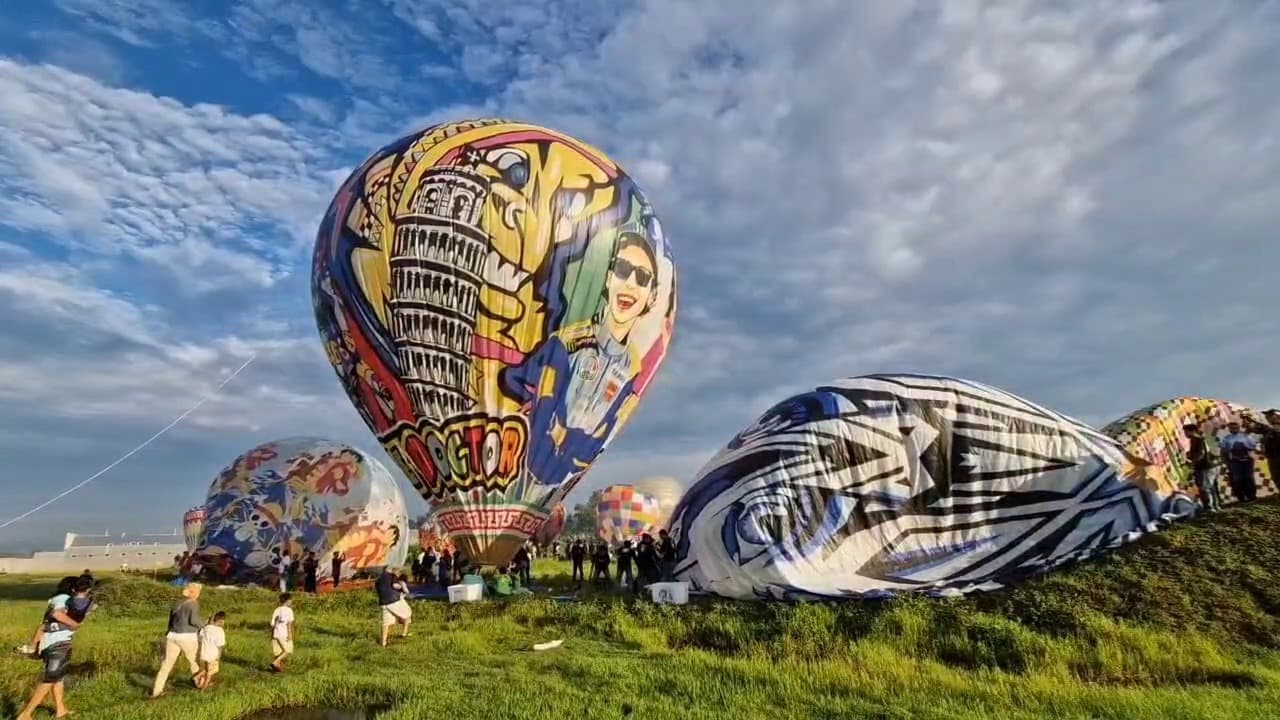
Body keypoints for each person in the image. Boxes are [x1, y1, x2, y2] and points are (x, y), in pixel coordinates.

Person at [16, 576, 93, 720]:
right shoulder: (63, 598)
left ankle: (60, 710)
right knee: (49, 679)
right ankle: (26, 714)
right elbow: (56, 614)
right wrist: (74, 624)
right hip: (57, 643)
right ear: (72, 588)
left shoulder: (60, 598)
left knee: (59, 678)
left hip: (55, 642)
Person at [150, 583, 205, 699]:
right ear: (193, 593)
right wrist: (204, 624)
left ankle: (156, 692)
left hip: (172, 636)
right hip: (187, 637)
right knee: (193, 661)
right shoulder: (193, 603)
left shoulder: (177, 603)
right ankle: (199, 684)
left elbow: (171, 620)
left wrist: (168, 631)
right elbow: (193, 620)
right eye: (198, 592)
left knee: (166, 665)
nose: (198, 594)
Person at [1220, 421, 1259, 502]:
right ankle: (1241, 498)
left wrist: (1247, 449)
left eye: (1236, 427)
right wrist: (1225, 460)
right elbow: (1223, 450)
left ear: (1239, 427)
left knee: (1249, 478)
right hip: (1234, 461)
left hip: (1247, 460)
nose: (1234, 429)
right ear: (1229, 429)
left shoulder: (1246, 436)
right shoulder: (1227, 438)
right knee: (1238, 479)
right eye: (1232, 428)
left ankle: (1252, 496)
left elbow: (1253, 446)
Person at [1185, 423, 1220, 512]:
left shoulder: (1197, 440)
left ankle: (1209, 507)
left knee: (1205, 488)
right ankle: (1215, 506)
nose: (1185, 434)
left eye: (1186, 432)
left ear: (1192, 431)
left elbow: (1200, 454)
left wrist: (1192, 462)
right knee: (1211, 487)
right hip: (1208, 466)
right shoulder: (1198, 440)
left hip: (1204, 467)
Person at [375, 567, 412, 647]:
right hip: (394, 600)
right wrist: (402, 587)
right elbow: (395, 586)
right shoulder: (392, 576)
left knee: (386, 623)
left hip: (384, 603)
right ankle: (404, 633)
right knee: (408, 613)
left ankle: (383, 642)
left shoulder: (378, 580)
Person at [194, 611, 227, 689]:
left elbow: (200, 636)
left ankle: (200, 679)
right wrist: (218, 656)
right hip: (213, 654)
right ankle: (204, 686)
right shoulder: (220, 631)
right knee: (212, 671)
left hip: (204, 652)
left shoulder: (206, 628)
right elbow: (220, 645)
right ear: (220, 621)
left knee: (209, 669)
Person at [269, 593, 295, 673]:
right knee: (288, 650)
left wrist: (272, 634)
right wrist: (290, 634)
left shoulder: (277, 610)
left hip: (276, 633)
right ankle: (275, 663)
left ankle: (276, 669)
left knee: (279, 652)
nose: (291, 601)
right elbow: (289, 624)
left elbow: (272, 624)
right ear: (287, 601)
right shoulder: (289, 610)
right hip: (283, 633)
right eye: (290, 600)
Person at [1260, 410, 1280, 495]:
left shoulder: (1274, 428)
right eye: (1267, 416)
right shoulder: (1268, 429)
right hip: (1272, 457)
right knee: (1276, 477)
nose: (1267, 418)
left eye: (1270, 415)